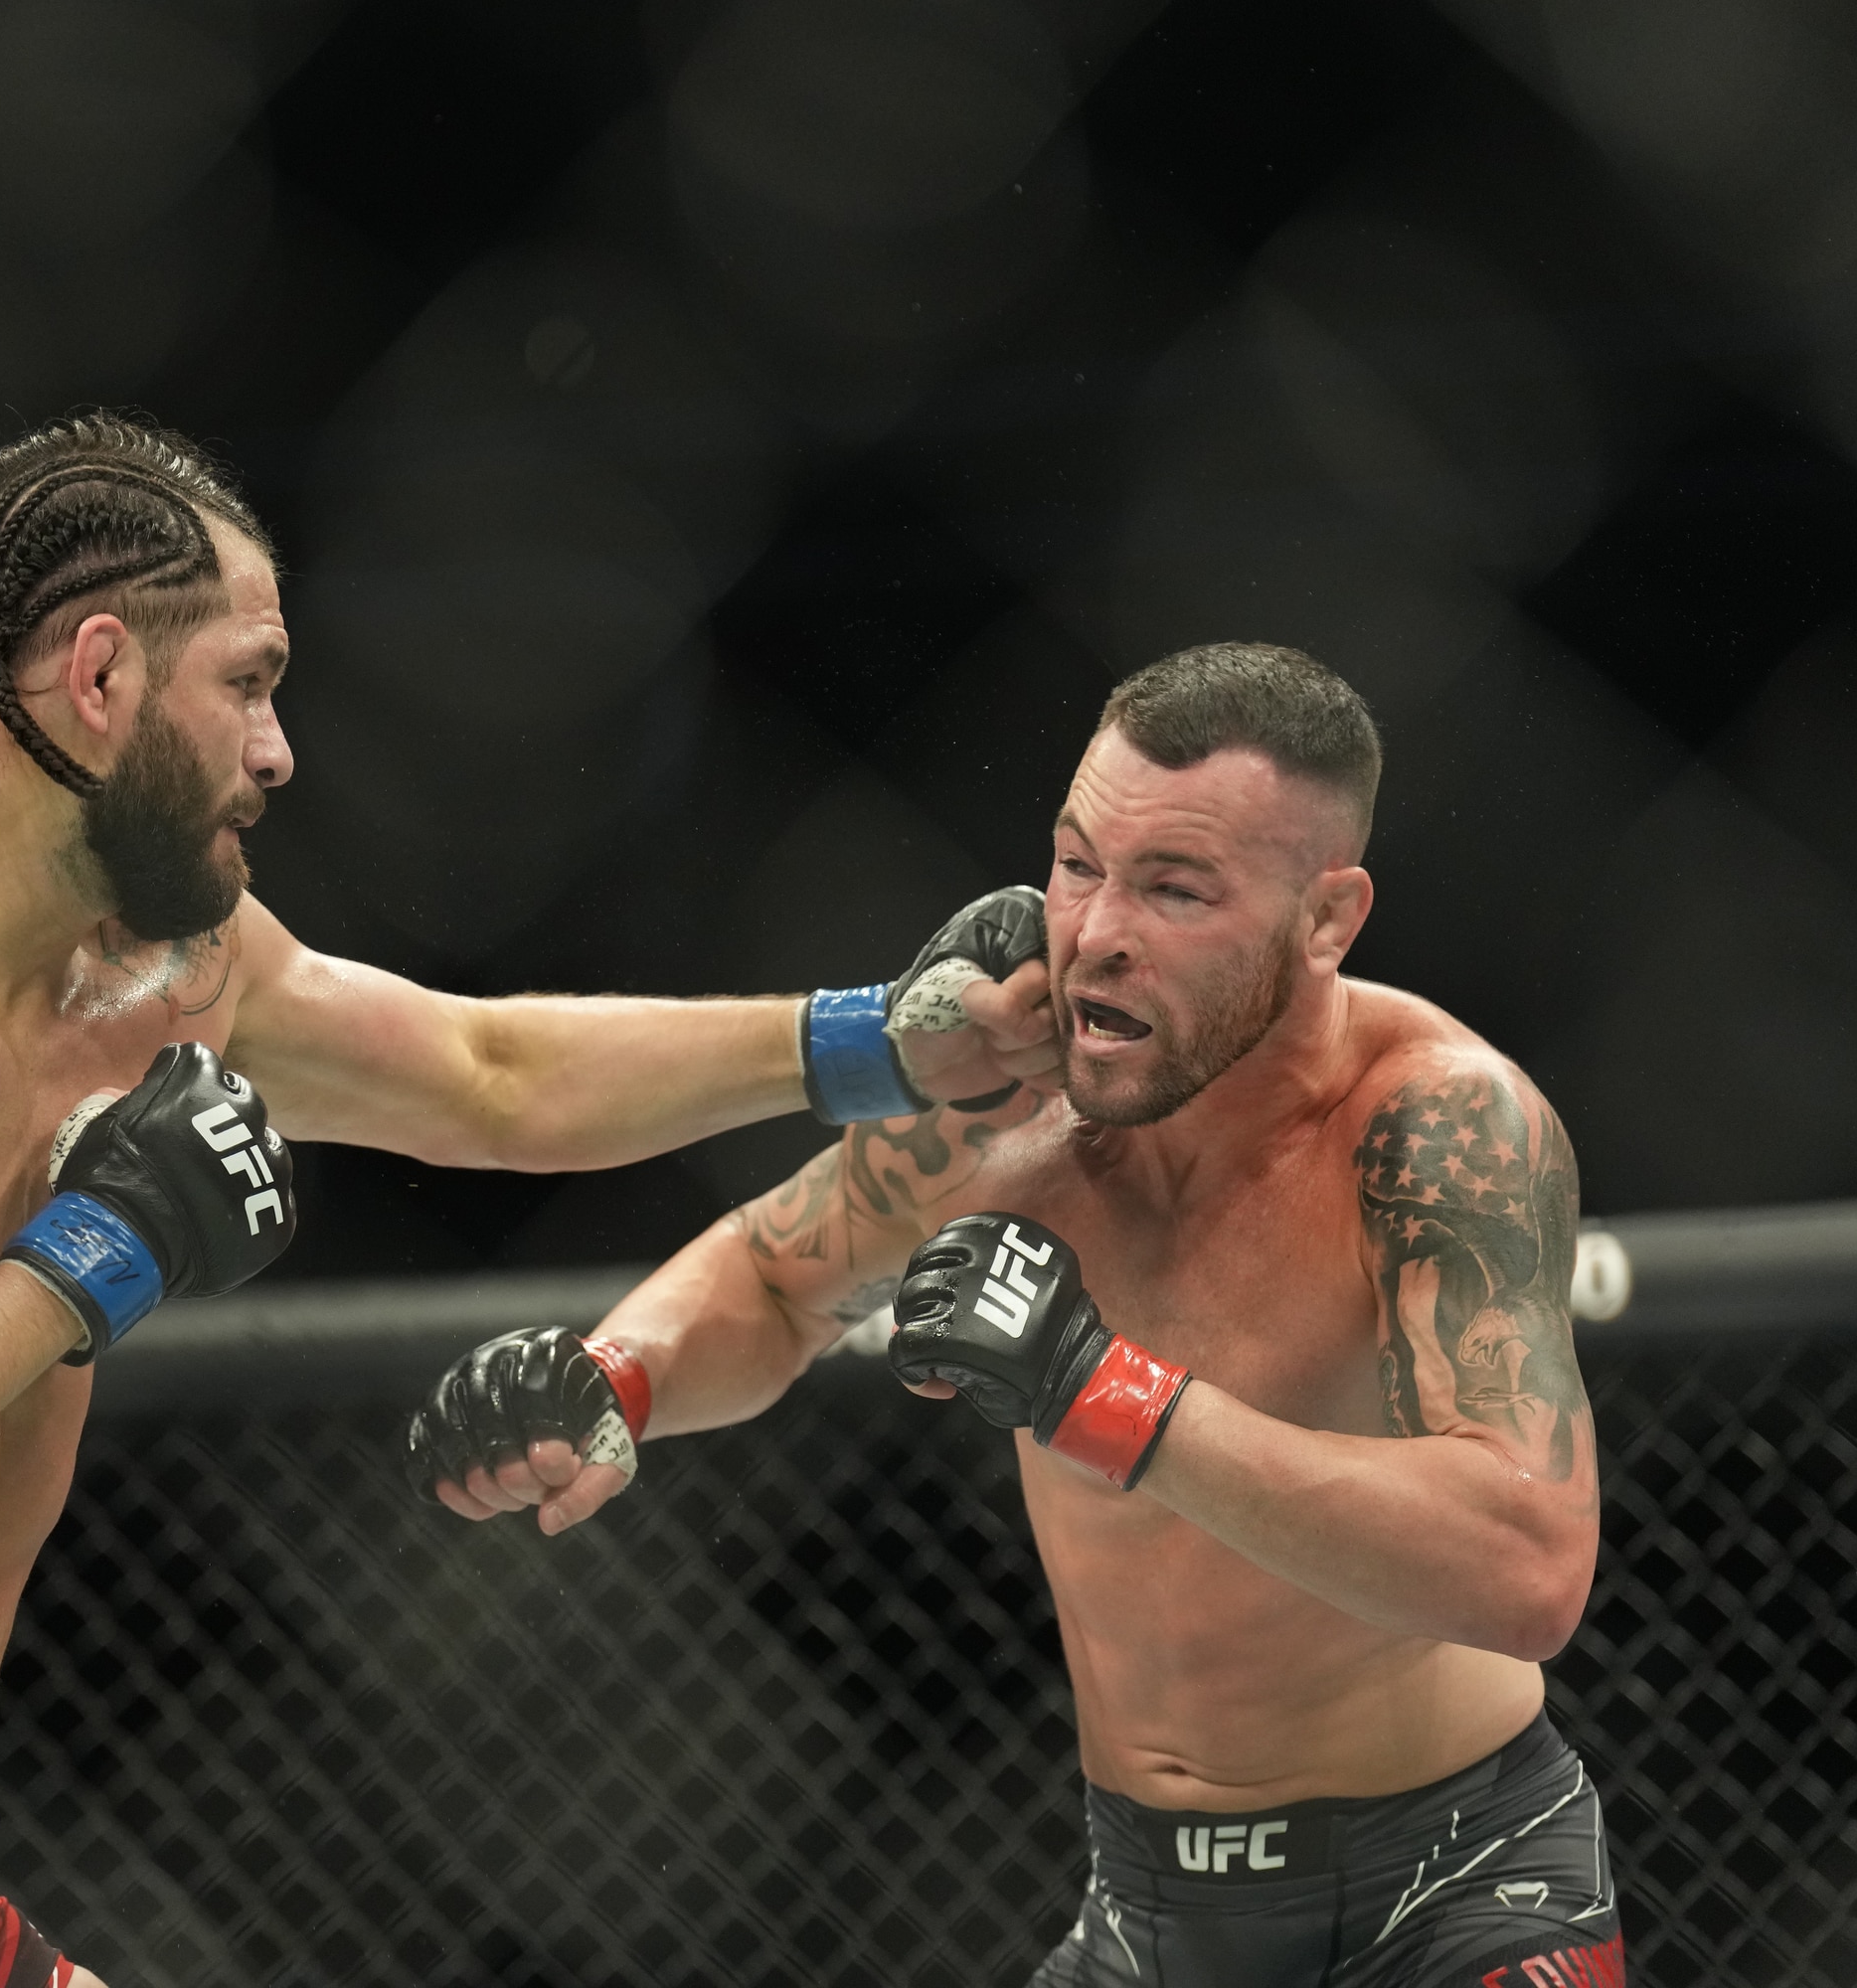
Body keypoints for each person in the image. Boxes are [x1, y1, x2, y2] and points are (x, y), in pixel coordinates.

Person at [0, 412, 1058, 1988]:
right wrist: (91, 1258)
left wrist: (879, 1044)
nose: (280, 752)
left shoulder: (167, 975)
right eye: (251, 686)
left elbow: (491, 1076)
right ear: (103, 675)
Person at [409, 645, 1626, 1987]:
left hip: (1455, 1891)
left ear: (1326, 918)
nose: (1097, 930)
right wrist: (612, 1382)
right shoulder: (1014, 1092)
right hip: (1147, 1914)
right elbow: (773, 1276)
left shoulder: (1437, 1126)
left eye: (1174, 889)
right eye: (1077, 863)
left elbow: (1528, 1567)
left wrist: (1105, 1396)